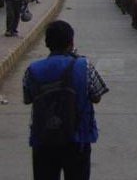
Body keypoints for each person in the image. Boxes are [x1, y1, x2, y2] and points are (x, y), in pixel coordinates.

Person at [22, 20, 109, 179]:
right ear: (71, 42)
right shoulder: (84, 66)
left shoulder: (33, 70)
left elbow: (28, 98)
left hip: (43, 139)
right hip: (78, 139)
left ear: (47, 43)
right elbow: (96, 96)